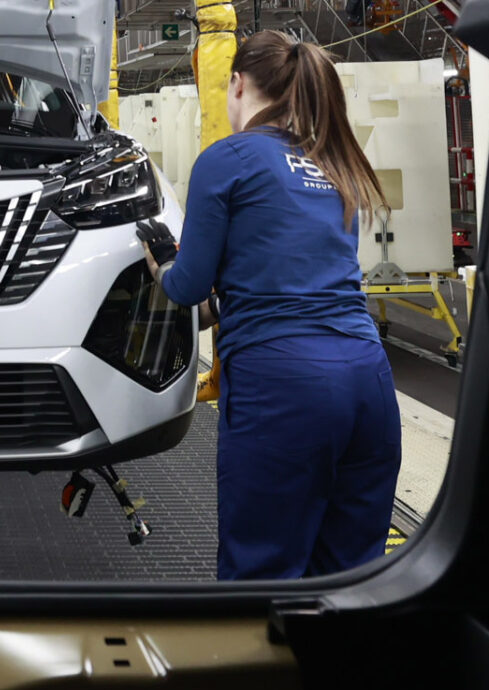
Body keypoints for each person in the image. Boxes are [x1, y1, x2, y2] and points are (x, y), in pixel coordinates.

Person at [153, 31, 401, 580]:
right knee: (352, 575)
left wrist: (161, 270)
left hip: (285, 386)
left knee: (261, 577)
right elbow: (300, 274)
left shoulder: (227, 158)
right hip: (369, 383)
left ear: (237, 84)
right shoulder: (334, 166)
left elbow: (189, 286)